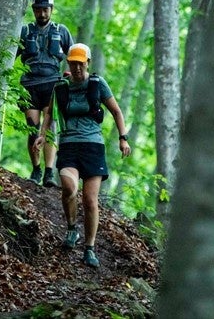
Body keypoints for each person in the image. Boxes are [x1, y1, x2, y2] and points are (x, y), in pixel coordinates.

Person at [36, 42, 131, 268]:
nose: (77, 68)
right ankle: (71, 228)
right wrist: (42, 135)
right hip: (69, 144)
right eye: (73, 63)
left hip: (93, 147)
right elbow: (49, 113)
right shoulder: (60, 87)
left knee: (90, 200)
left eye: (81, 63)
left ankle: (89, 248)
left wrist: (123, 137)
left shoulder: (98, 84)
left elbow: (116, 111)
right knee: (69, 188)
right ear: (68, 63)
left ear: (87, 63)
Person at [18, 0, 73, 187]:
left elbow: (73, 55)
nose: (42, 14)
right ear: (33, 10)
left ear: (51, 10)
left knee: (50, 127)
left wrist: (69, 74)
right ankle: (36, 168)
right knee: (32, 127)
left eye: (45, 10)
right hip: (29, 85)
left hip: (52, 85)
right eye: (38, 10)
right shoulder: (24, 31)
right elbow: (9, 55)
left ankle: (49, 172)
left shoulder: (61, 31)